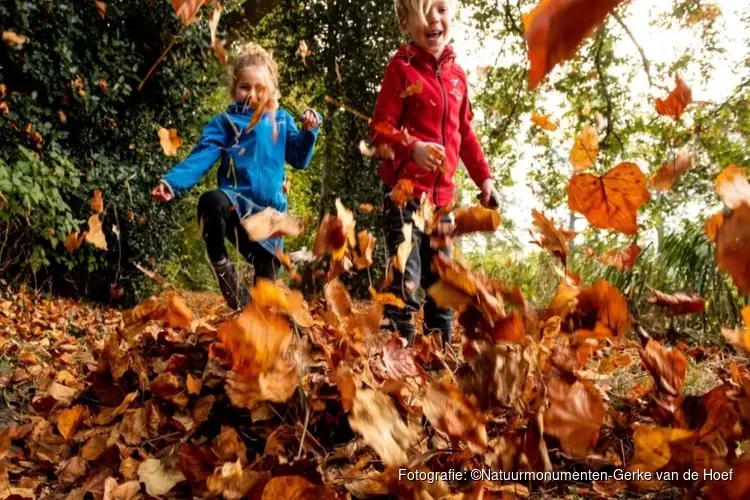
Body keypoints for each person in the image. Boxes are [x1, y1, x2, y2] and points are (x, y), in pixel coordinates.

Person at [151, 43, 322, 310]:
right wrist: (171, 183)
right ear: (234, 89)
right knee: (210, 202)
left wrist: (309, 130)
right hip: (237, 208)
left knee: (263, 307)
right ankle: (224, 272)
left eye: (260, 88)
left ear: (272, 91)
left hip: (270, 222)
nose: (252, 95)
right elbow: (202, 156)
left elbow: (299, 159)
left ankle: (254, 322)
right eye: (245, 87)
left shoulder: (282, 121)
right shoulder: (227, 123)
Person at [370, 0, 501, 346]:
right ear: (405, 22)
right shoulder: (401, 68)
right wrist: (411, 147)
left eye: (441, 8)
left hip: (442, 205)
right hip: (406, 198)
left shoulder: (457, 75)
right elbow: (380, 128)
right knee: (406, 282)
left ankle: (438, 358)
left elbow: (465, 133)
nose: (434, 19)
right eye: (424, 11)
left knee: (443, 286)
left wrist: (484, 179)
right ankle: (396, 356)